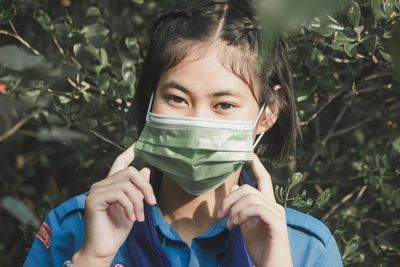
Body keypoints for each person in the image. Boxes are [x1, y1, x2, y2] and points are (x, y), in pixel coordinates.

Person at [23, 0, 344, 266]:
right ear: (150, 99)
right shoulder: (75, 227)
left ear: (268, 112)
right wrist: (92, 258)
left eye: (224, 105)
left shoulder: (306, 249)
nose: (198, 122)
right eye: (177, 99)